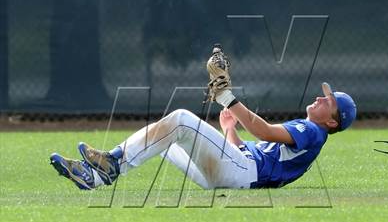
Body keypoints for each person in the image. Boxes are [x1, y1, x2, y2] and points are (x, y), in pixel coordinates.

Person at [50, 48, 356, 190]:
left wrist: (226, 96)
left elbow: (262, 131)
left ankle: (112, 165)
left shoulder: (312, 131)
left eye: (327, 102)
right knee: (164, 138)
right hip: (238, 172)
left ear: (332, 121)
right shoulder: (309, 134)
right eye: (323, 95)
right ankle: (98, 176)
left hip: (241, 174)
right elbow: (253, 152)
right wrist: (228, 130)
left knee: (181, 119)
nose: (319, 99)